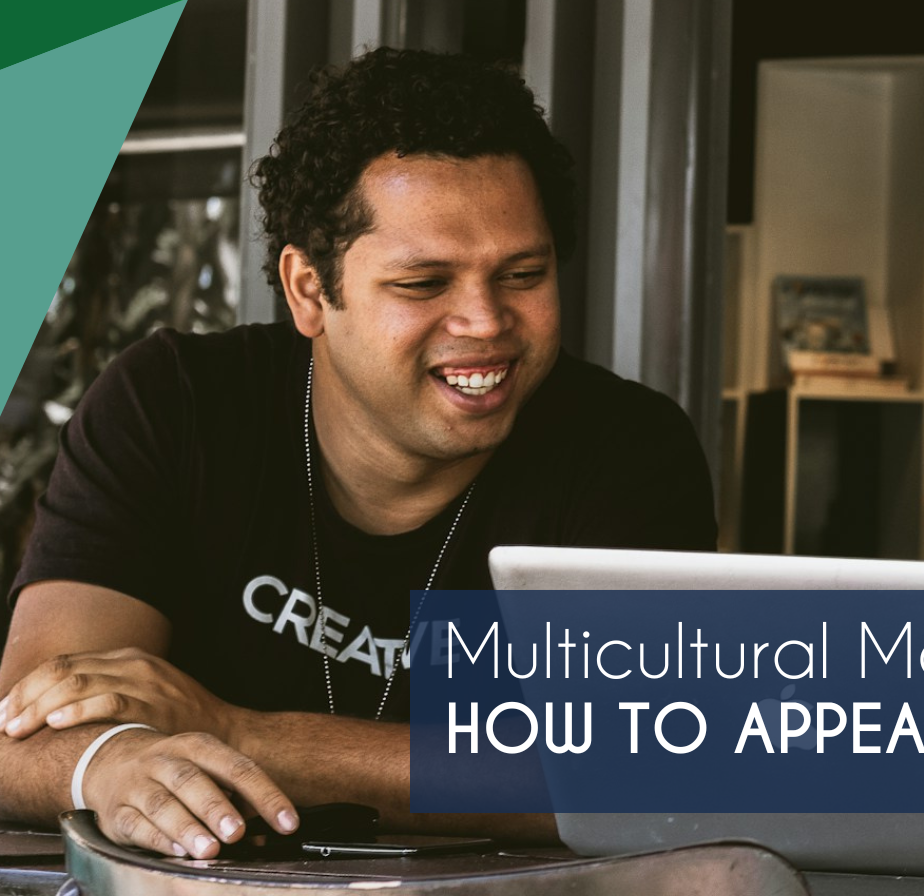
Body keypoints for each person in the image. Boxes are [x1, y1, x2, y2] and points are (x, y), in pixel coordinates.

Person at [0, 49, 716, 859]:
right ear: (309, 290)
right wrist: (109, 761)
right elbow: (29, 721)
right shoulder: (176, 405)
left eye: (522, 273)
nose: (485, 321)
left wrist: (239, 734)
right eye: (423, 284)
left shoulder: (625, 450)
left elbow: (640, 773)